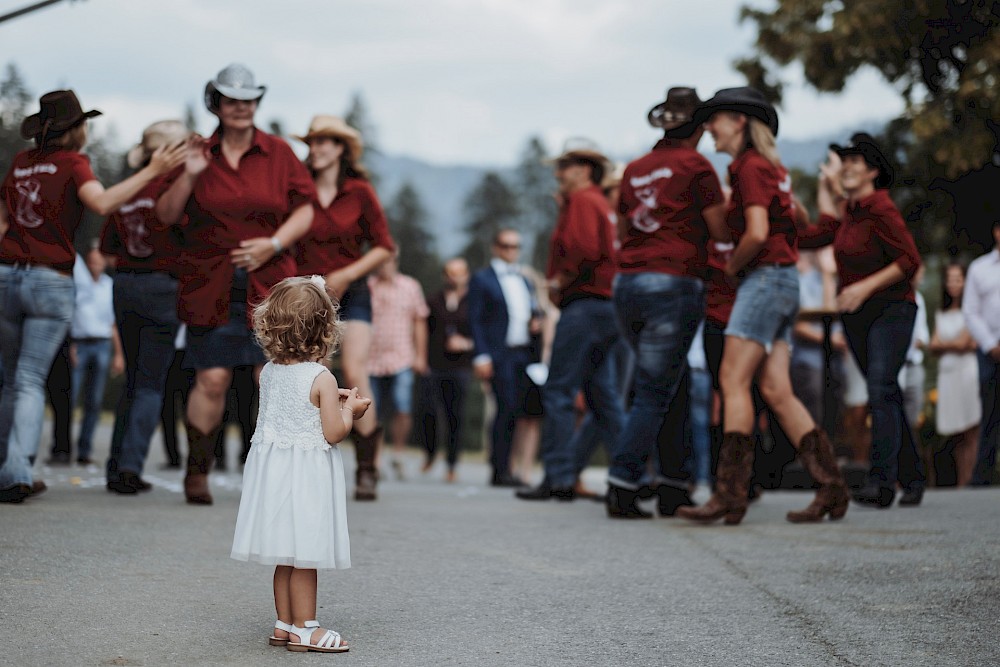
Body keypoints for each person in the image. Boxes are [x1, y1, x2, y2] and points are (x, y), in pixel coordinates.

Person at [0, 89, 184, 503]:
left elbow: (2, 222)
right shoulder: (73, 162)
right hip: (49, 280)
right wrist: (153, 170)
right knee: (30, 380)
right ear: (76, 129)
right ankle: (16, 472)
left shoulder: (19, 163)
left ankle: (5, 467)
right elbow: (100, 202)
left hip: (7, 275)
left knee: (11, 380)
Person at [677, 87, 849, 525]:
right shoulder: (771, 169)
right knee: (776, 390)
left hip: (765, 280)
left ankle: (730, 493)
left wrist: (733, 269)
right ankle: (831, 486)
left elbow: (755, 233)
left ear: (737, 121)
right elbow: (798, 229)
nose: (708, 128)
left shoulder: (749, 168)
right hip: (784, 282)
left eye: (714, 119)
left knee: (732, 381)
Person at [155, 64, 315, 505]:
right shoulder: (198, 151)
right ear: (217, 104)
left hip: (271, 285)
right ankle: (197, 471)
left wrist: (274, 242)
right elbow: (166, 216)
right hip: (211, 282)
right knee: (212, 378)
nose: (241, 108)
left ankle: (273, 474)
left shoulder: (280, 153)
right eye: (231, 100)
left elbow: (306, 210)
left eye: (248, 100)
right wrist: (188, 173)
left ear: (257, 104)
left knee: (272, 380)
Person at [599, 88, 729, 518]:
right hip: (673, 282)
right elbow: (721, 230)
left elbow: (621, 231)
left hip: (629, 284)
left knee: (671, 383)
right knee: (656, 390)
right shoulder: (697, 166)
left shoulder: (635, 167)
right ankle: (622, 483)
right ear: (696, 127)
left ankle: (674, 484)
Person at [231, 276, 368, 654]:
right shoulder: (322, 376)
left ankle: (284, 623)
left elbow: (293, 408)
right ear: (325, 329)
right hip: (306, 478)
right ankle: (307, 628)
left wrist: (328, 401)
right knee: (306, 554)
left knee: (285, 554)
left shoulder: (270, 372)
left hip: (275, 474)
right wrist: (349, 409)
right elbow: (333, 432)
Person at [796, 132, 925, 508]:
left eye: (854, 162)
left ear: (872, 171)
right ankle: (913, 478)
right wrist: (823, 186)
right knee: (885, 393)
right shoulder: (851, 211)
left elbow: (909, 260)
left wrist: (862, 288)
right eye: (844, 161)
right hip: (859, 315)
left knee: (881, 389)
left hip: (892, 310)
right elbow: (820, 233)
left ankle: (881, 483)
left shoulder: (880, 207)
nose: (847, 167)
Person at [291, 114, 396, 500]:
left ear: (341, 149)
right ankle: (309, 464)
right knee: (316, 375)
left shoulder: (359, 191)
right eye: (312, 141)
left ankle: (367, 468)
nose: (316, 148)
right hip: (307, 295)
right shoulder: (298, 188)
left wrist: (348, 274)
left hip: (352, 293)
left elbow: (385, 246)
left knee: (353, 370)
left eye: (325, 142)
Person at [517, 139, 624, 503]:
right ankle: (630, 475)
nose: (558, 174)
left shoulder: (582, 200)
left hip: (584, 306)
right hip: (606, 307)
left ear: (582, 169)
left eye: (563, 167)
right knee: (602, 396)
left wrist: (559, 281)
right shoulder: (597, 202)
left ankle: (559, 477)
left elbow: (584, 249)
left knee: (560, 390)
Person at [102, 119, 191, 492]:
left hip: (124, 284)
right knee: (152, 383)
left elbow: (107, 250)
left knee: (133, 381)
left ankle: (115, 464)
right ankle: (130, 468)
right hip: (161, 286)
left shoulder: (129, 188)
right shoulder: (176, 188)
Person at [468, 229, 542, 487]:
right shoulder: (482, 279)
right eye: (507, 245)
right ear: (496, 247)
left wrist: (536, 323)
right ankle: (500, 470)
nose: (512, 250)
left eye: (516, 246)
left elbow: (531, 310)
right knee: (505, 408)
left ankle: (510, 468)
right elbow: (475, 320)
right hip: (499, 355)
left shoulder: (524, 279)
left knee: (520, 411)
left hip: (524, 353)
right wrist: (481, 356)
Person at [367, 251, 429, 479]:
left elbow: (419, 321)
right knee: (371, 409)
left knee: (403, 407)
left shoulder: (410, 286)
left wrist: (420, 355)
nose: (385, 266)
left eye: (388, 261)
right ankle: (375, 457)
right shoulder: (368, 286)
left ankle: (399, 453)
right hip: (371, 358)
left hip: (402, 355)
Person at [69, 246, 124, 466]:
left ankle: (84, 449)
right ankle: (63, 446)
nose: (95, 265)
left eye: (98, 261)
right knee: (71, 397)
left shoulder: (109, 286)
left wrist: (119, 354)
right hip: (80, 343)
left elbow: (113, 324)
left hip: (102, 344)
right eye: (91, 261)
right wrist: (70, 344)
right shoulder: (78, 285)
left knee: (95, 400)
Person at [422, 258, 474, 482]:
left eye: (460, 272)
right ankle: (430, 453)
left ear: (467, 275)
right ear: (445, 275)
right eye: (451, 272)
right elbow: (423, 331)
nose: (455, 277)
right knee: (429, 411)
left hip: (461, 367)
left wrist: (467, 344)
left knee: (456, 416)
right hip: (434, 365)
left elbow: (483, 333)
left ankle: (452, 464)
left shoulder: (474, 302)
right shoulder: (433, 300)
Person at [929, 262, 980, 487]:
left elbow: (966, 343)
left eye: (958, 279)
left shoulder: (972, 310)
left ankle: (974, 478)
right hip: (948, 374)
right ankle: (962, 482)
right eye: (949, 279)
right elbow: (933, 345)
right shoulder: (941, 312)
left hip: (967, 372)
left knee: (971, 428)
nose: (953, 284)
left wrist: (945, 344)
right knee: (957, 432)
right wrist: (954, 344)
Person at [963, 219, 1000, 486]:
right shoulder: (979, 268)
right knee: (989, 412)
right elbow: (971, 312)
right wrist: (990, 344)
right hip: (990, 350)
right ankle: (982, 476)